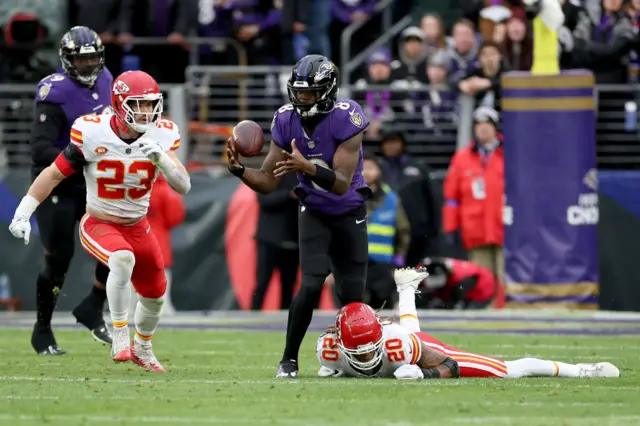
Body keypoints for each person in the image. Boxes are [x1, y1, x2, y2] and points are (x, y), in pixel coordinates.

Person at [9, 70, 191, 372]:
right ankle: (119, 332)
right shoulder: (92, 133)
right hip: (99, 222)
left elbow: (183, 185)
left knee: (156, 296)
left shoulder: (162, 134)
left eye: (151, 104)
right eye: (139, 104)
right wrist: (24, 211)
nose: (147, 112)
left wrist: (162, 159)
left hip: (138, 225)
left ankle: (143, 347)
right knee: (121, 259)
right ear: (120, 104)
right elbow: (54, 173)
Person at [226, 54, 370, 378]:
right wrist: (240, 171)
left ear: (328, 91)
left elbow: (342, 183)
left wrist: (307, 167)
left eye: (311, 94)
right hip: (314, 210)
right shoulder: (285, 119)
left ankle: (352, 359)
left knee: (352, 295)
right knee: (311, 284)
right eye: (300, 93)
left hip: (348, 209)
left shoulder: (349, 117)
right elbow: (267, 180)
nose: (303, 100)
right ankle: (288, 359)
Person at [316, 268, 620, 379]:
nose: (368, 357)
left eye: (371, 349)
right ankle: (407, 288)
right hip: (405, 341)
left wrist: (427, 375)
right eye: (360, 352)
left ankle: (581, 370)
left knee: (509, 370)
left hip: (420, 350)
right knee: (410, 334)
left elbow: (450, 364)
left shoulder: (398, 345)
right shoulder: (328, 351)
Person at [29, 26, 114, 355]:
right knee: (59, 259)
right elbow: (39, 150)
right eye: (81, 59)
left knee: (118, 244)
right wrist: (82, 154)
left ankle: (92, 304)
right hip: (57, 182)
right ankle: (43, 329)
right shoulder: (55, 91)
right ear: (67, 61)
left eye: (93, 57)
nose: (88, 64)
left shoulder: (107, 79)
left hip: (92, 182)